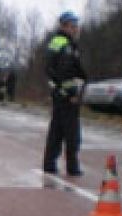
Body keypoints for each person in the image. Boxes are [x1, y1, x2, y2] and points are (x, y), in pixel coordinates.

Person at [43, 11, 87, 176]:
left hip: (58, 93)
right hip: (67, 95)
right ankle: (72, 167)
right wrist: (71, 93)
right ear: (65, 26)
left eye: (76, 26)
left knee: (56, 130)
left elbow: (50, 69)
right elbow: (66, 70)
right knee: (71, 132)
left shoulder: (56, 42)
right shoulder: (66, 45)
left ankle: (49, 164)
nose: (76, 29)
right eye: (73, 26)